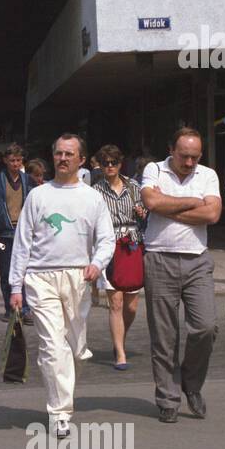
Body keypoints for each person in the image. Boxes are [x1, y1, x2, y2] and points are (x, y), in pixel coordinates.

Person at [9, 134, 115, 439]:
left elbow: (106, 239)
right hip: (40, 278)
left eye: (69, 154)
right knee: (52, 347)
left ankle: (63, 394)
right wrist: (16, 286)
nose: (63, 158)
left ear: (82, 160)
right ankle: (59, 413)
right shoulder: (38, 196)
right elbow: (22, 243)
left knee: (76, 350)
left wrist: (98, 263)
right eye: (58, 153)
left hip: (79, 278)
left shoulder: (93, 198)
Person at [139, 128, 222, 423]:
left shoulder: (208, 175)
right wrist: (194, 202)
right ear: (171, 150)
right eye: (184, 156)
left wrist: (168, 206)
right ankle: (168, 398)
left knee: (206, 327)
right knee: (164, 336)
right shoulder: (153, 170)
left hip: (197, 260)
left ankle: (191, 383)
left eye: (194, 157)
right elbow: (151, 203)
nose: (189, 163)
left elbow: (213, 215)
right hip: (159, 258)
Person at [93, 144, 147, 370]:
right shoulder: (95, 191)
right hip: (108, 245)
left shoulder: (134, 187)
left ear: (120, 164)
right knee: (115, 302)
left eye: (113, 162)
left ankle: (120, 338)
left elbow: (145, 215)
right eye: (105, 163)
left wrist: (143, 213)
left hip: (132, 245)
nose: (109, 167)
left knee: (131, 305)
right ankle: (120, 353)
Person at [0, 143, 34, 320]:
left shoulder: (28, 181)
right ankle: (10, 308)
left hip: (24, 232)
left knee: (25, 271)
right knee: (6, 272)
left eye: (19, 160)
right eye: (12, 160)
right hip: (4, 233)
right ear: (5, 160)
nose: (15, 164)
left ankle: (25, 308)